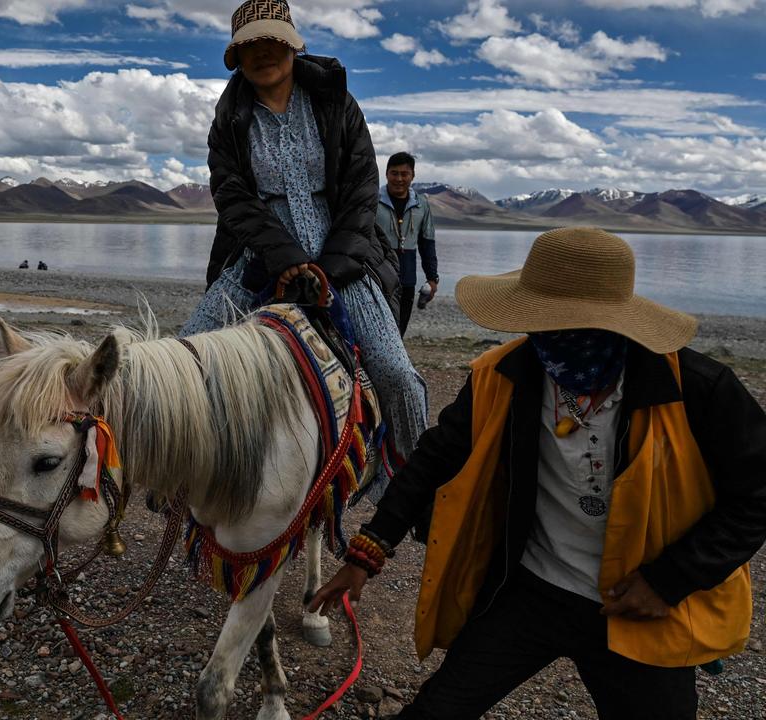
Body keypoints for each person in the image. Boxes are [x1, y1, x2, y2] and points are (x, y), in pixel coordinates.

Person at [308, 227, 766, 719]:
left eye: (564, 325)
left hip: (639, 602)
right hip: (530, 590)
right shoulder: (505, 374)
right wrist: (368, 552)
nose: (547, 338)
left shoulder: (696, 389)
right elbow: (434, 458)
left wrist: (671, 579)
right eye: (541, 322)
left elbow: (757, 496)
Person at [183, 0, 426, 498]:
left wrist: (330, 268)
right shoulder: (230, 116)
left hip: (344, 256)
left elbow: (361, 189)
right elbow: (231, 197)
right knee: (187, 359)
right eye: (249, 44)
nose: (262, 52)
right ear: (235, 57)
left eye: (272, 40)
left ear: (294, 44)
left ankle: (407, 487)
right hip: (260, 253)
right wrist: (287, 259)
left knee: (396, 374)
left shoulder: (336, 103)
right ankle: (185, 479)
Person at [374, 152, 438, 336]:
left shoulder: (422, 204)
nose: (399, 178)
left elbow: (427, 243)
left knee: (400, 327)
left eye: (404, 174)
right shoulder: (372, 199)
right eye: (394, 173)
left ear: (413, 176)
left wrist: (432, 278)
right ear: (386, 174)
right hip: (378, 273)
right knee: (377, 326)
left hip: (407, 277)